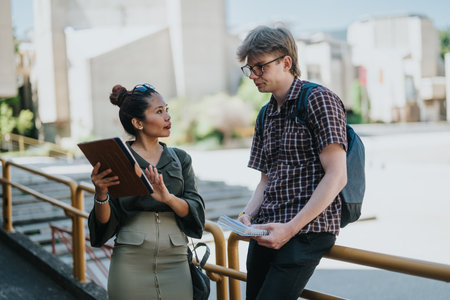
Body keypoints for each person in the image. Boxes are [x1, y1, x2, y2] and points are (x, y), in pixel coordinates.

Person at [236, 25, 348, 300]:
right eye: (249, 68)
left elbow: (337, 175)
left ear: (286, 62)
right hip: (265, 228)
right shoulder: (265, 114)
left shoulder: (319, 99)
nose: (253, 75)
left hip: (306, 232)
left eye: (260, 67)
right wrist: (247, 215)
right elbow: (266, 179)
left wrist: (291, 228)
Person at [88, 83, 205, 300]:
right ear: (137, 122)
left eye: (167, 109)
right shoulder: (118, 158)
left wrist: (168, 198)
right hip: (130, 261)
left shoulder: (181, 158)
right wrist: (101, 194)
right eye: (159, 112)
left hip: (176, 259)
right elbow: (105, 221)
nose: (168, 117)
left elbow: (195, 208)